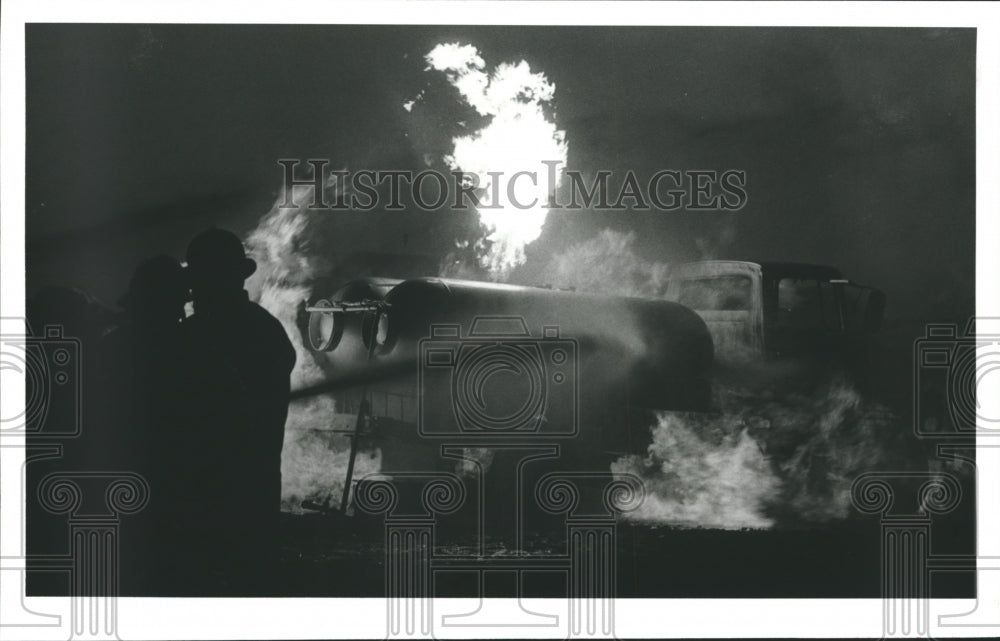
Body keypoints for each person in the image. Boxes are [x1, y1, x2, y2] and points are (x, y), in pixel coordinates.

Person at [180, 227, 295, 594]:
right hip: (251, 499)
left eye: (200, 278)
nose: (194, 289)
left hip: (209, 500)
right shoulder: (265, 330)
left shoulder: (194, 336)